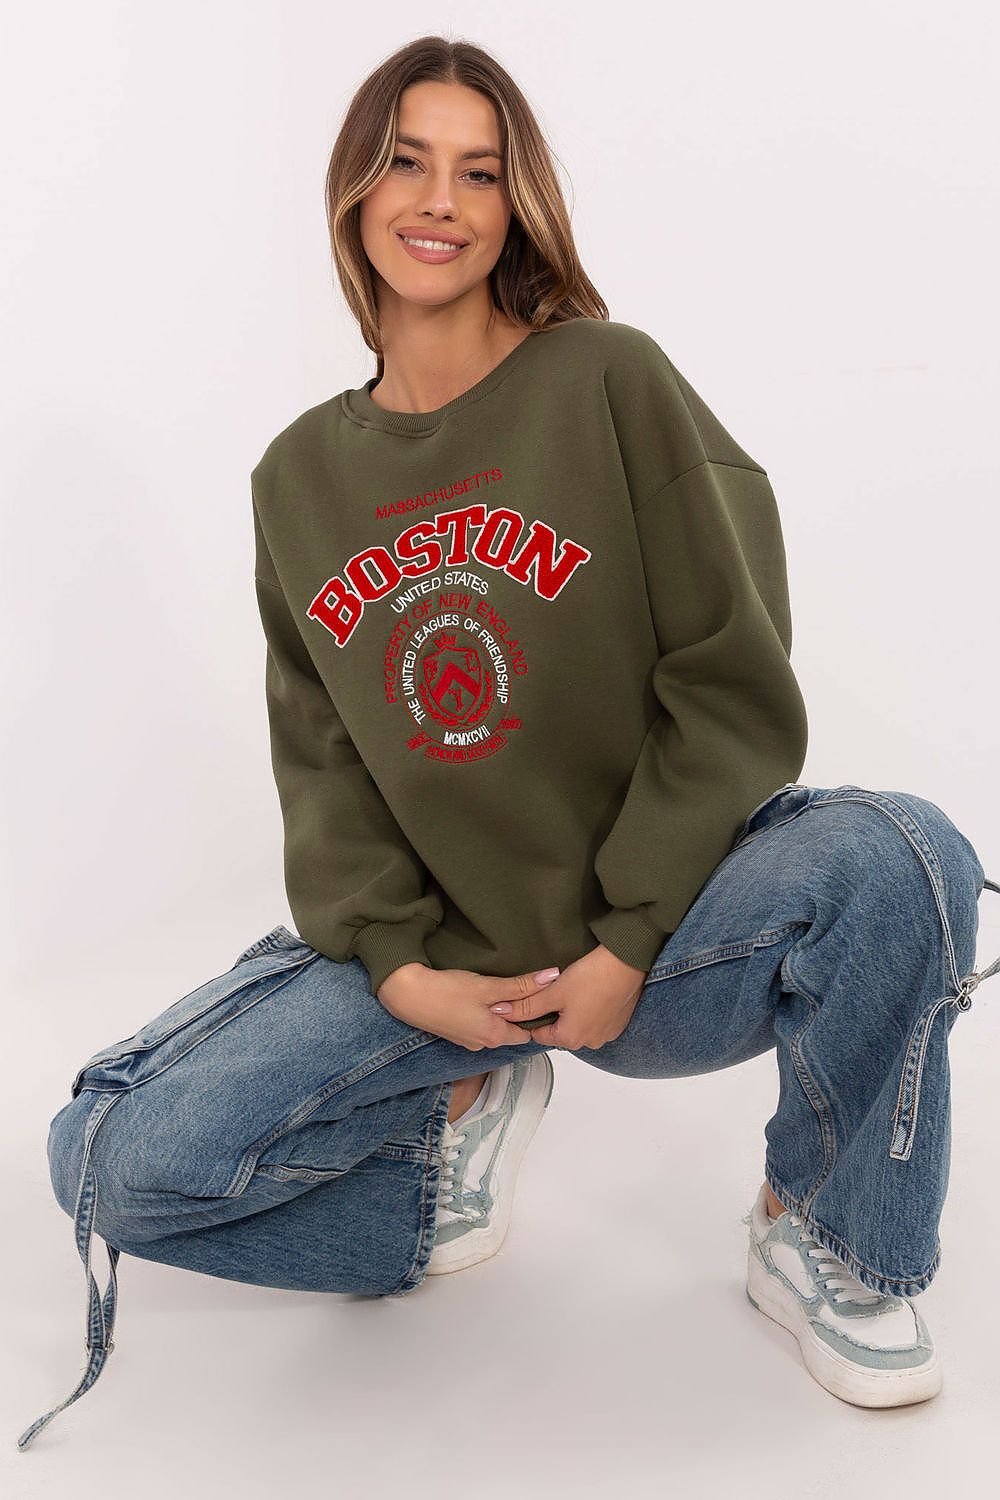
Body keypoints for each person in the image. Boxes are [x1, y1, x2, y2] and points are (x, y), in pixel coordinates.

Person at [18, 34, 1000, 1453]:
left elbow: (728, 680)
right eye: (407, 163)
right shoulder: (299, 478)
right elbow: (324, 759)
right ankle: (443, 1153)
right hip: (440, 963)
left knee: (905, 856)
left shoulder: (607, 380)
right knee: (105, 1160)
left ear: (515, 203)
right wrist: (400, 970)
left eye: (479, 172)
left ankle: (825, 1234)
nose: (441, 200)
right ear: (354, 192)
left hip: (664, 944)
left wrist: (627, 942)